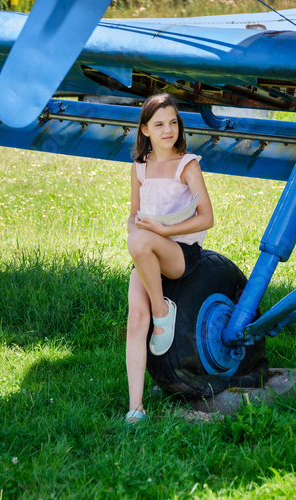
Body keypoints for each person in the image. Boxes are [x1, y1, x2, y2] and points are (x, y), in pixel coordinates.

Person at [125, 93, 214, 423]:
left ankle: (163, 313)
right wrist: (139, 234)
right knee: (135, 319)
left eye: (173, 122)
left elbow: (207, 218)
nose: (168, 130)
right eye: (159, 124)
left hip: (180, 254)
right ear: (145, 130)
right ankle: (135, 408)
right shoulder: (139, 169)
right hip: (146, 251)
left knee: (142, 240)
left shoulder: (187, 164)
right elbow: (133, 215)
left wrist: (159, 231)